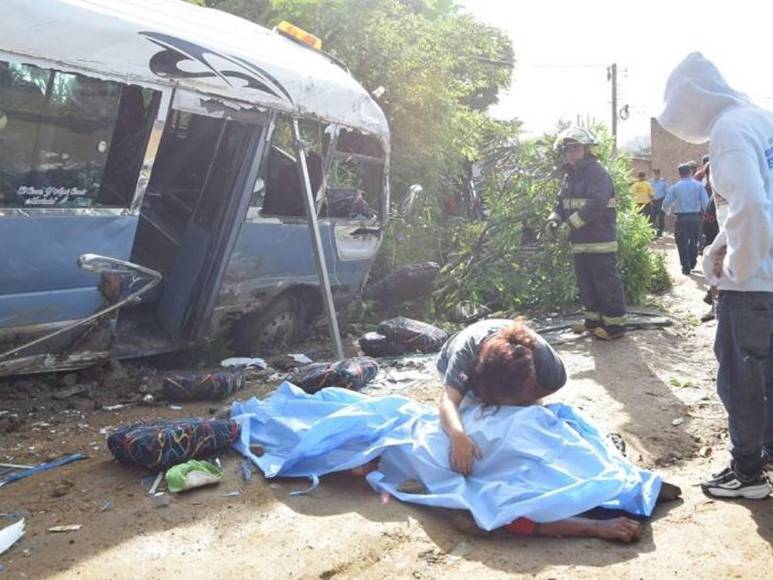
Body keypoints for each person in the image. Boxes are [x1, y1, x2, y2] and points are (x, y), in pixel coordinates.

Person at [659, 51, 773, 499]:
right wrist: (719, 247)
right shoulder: (760, 119)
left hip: (755, 285)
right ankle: (765, 450)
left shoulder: (727, 132)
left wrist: (738, 273)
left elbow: (750, 206)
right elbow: (756, 202)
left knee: (742, 377)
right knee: (768, 373)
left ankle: (747, 474)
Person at [437, 318, 567, 474]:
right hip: (456, 366)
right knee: (475, 427)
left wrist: (526, 404)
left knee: (527, 423)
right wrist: (458, 436)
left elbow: (547, 390)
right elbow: (448, 402)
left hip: (519, 386)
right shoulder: (464, 357)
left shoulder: (549, 368)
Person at [545, 127, 627, 340]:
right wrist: (554, 219)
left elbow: (597, 203)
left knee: (606, 283)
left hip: (600, 239)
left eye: (576, 148)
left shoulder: (597, 172)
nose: (571, 153)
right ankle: (593, 322)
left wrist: (569, 224)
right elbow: (561, 204)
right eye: (568, 149)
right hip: (580, 242)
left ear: (587, 149)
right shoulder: (570, 176)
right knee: (586, 283)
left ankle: (614, 326)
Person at [662, 162, 709, 275]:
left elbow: (666, 203)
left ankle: (685, 265)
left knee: (681, 242)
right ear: (690, 172)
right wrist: (707, 216)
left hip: (681, 218)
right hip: (695, 217)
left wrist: (667, 211)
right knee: (694, 240)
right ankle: (692, 261)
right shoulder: (699, 186)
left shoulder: (675, 187)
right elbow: (706, 203)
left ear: (680, 174)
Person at [649, 168, 668, 237]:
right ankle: (652, 231)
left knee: (661, 216)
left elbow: (666, 192)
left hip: (661, 200)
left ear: (659, 174)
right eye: (654, 173)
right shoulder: (651, 182)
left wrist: (665, 202)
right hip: (653, 200)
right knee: (652, 216)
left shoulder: (663, 182)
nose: (656, 175)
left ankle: (660, 231)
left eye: (657, 173)